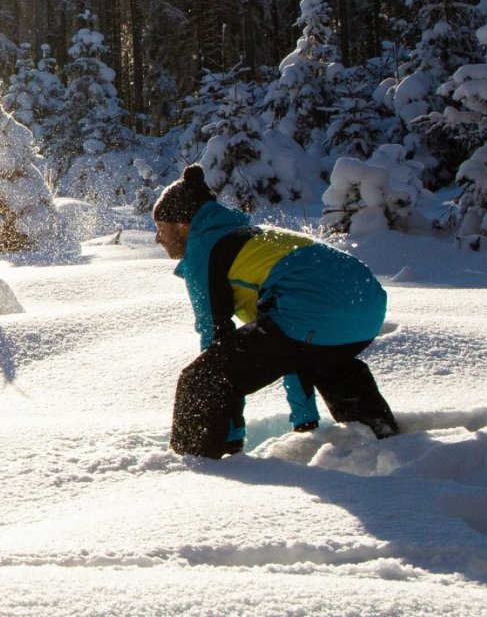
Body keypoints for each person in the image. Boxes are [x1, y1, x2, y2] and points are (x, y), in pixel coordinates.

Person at [153, 163, 399, 459]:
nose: (158, 238)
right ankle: (384, 437)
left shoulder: (206, 249)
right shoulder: (253, 237)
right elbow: (289, 350)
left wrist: (230, 441)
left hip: (313, 312)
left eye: (160, 228)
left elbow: (215, 338)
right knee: (328, 364)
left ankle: (198, 468)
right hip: (367, 306)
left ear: (183, 225)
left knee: (202, 379)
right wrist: (305, 423)